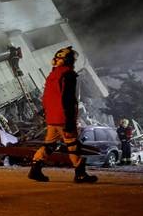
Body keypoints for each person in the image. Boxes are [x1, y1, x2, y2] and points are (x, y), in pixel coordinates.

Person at [28, 46, 98, 183]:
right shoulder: (69, 75)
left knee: (50, 145)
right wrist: (70, 120)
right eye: (73, 60)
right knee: (73, 145)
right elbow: (68, 99)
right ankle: (80, 174)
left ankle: (35, 168)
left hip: (52, 118)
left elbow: (46, 97)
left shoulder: (52, 76)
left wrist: (47, 114)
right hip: (63, 117)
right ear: (69, 61)